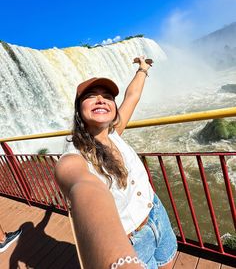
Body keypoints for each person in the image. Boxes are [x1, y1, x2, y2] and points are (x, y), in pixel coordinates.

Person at [55, 56, 177, 269]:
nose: (101, 100)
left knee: (169, 262)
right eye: (91, 96)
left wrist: (142, 69)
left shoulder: (113, 134)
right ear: (79, 111)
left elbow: (132, 96)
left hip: (156, 213)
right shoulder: (73, 158)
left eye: (108, 97)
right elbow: (83, 186)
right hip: (132, 243)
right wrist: (122, 262)